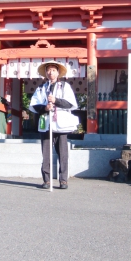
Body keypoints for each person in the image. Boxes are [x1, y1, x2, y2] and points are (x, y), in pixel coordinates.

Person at [29, 61, 78, 189]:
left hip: (61, 123)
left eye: (53, 70)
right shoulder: (41, 88)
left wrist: (56, 101)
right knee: (46, 153)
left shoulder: (65, 86)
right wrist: (45, 107)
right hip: (46, 123)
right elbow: (34, 105)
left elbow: (71, 104)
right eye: (48, 70)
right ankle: (46, 180)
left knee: (63, 152)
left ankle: (63, 180)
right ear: (45, 73)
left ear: (58, 72)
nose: (50, 72)